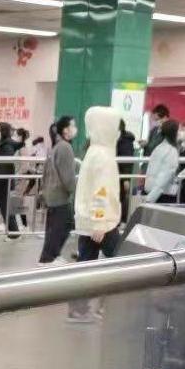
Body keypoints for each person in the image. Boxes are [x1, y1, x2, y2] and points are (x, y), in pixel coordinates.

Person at [67, 105, 124, 322]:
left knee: (86, 264)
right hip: (102, 223)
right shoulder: (103, 156)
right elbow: (101, 191)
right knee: (120, 263)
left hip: (90, 221)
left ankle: (79, 308)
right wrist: (99, 222)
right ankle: (106, 307)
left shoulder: (94, 151)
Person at [38, 115, 77, 263]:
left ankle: (51, 256)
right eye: (72, 126)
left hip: (52, 195)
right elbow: (68, 178)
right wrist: (73, 189)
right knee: (60, 229)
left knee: (55, 229)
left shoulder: (56, 146)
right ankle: (48, 258)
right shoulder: (65, 147)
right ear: (65, 130)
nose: (75, 129)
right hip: (60, 197)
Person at [0, 121, 23, 236]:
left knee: (7, 207)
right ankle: (14, 232)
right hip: (0, 180)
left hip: (3, 181)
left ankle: (15, 231)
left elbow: (5, 165)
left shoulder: (7, 146)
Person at [142, 118, 182, 204]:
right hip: (162, 195)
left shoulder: (160, 147)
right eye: (179, 130)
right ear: (174, 133)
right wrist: (151, 198)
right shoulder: (171, 151)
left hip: (153, 191)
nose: (180, 133)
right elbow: (165, 176)